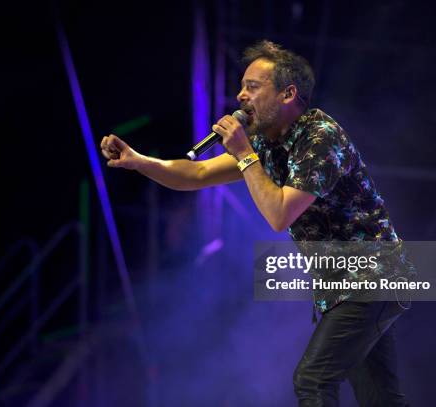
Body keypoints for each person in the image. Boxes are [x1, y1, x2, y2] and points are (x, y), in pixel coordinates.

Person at [101, 40, 409, 406]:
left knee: (312, 380)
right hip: (343, 285)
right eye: (241, 86)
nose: (240, 95)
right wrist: (141, 161)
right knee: (380, 401)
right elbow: (197, 172)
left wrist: (244, 153)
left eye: (253, 86)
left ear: (287, 93)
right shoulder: (267, 142)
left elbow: (280, 215)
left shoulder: (319, 138)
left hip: (372, 275)